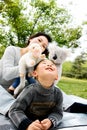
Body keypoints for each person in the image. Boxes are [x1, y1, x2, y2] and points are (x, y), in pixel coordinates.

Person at [8, 59, 63, 130]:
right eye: (44, 63)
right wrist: (26, 124)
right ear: (34, 73)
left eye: (52, 65)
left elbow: (58, 113)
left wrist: (51, 121)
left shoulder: (58, 93)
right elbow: (15, 109)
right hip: (27, 118)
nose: (49, 65)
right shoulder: (30, 91)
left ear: (56, 76)